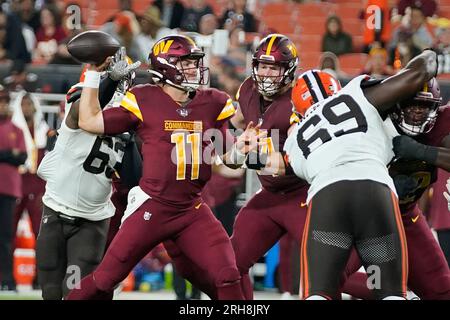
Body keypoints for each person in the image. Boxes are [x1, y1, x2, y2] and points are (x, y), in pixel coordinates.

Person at [66, 35, 264, 300]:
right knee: (106, 278)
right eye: (186, 63)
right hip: (153, 205)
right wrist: (92, 72)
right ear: (167, 67)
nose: (195, 69)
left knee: (228, 273)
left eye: (195, 63)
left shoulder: (212, 102)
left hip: (191, 208)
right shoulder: (144, 99)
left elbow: (228, 158)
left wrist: (241, 148)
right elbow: (89, 121)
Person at [263, 49, 438, 299]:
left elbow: (279, 165)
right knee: (390, 292)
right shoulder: (356, 93)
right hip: (375, 194)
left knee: (317, 293)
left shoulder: (295, 140)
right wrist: (428, 54)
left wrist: (241, 155)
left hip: (328, 201)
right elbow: (421, 70)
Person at [35, 49, 140, 300]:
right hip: (56, 209)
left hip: (92, 220)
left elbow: (134, 180)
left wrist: (130, 138)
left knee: (75, 293)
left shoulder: (126, 122)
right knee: (49, 292)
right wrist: (109, 79)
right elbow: (85, 111)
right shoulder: (80, 100)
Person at [342, 78, 450, 300]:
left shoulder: (441, 124)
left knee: (442, 291)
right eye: (411, 104)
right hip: (363, 218)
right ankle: (398, 295)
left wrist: (421, 151)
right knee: (328, 276)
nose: (417, 112)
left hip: (406, 214)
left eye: (424, 106)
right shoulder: (373, 122)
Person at [227, 34, 309, 300]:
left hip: (305, 196)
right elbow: (238, 120)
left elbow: (299, 161)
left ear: (288, 71)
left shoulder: (298, 101)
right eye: (263, 66)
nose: (266, 73)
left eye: (274, 67)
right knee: (231, 264)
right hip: (269, 196)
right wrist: (238, 141)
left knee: (330, 271)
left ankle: (393, 293)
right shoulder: (248, 89)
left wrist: (248, 154)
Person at [0, 85, 27, 291]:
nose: (3, 105)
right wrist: (10, 154)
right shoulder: (14, 131)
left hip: (8, 189)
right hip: (8, 186)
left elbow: (23, 157)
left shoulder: (16, 129)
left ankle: (8, 279)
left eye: (5, 101)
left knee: (6, 237)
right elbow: (15, 156)